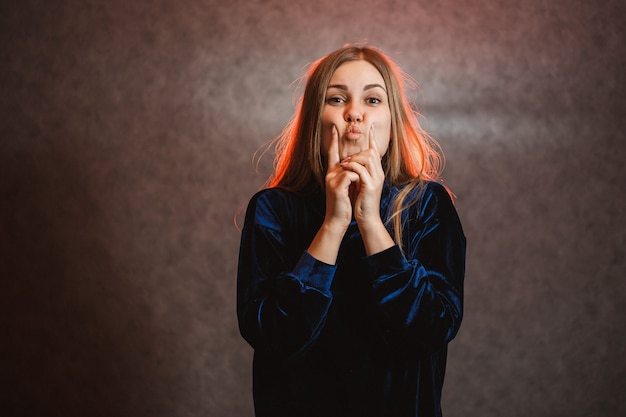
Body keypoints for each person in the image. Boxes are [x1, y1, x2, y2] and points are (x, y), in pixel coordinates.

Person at [237, 44, 466, 417]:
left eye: (373, 100)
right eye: (336, 98)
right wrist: (334, 222)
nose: (354, 113)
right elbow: (272, 337)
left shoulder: (427, 204)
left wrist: (371, 221)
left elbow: (432, 327)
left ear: (393, 120)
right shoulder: (272, 210)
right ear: (315, 118)